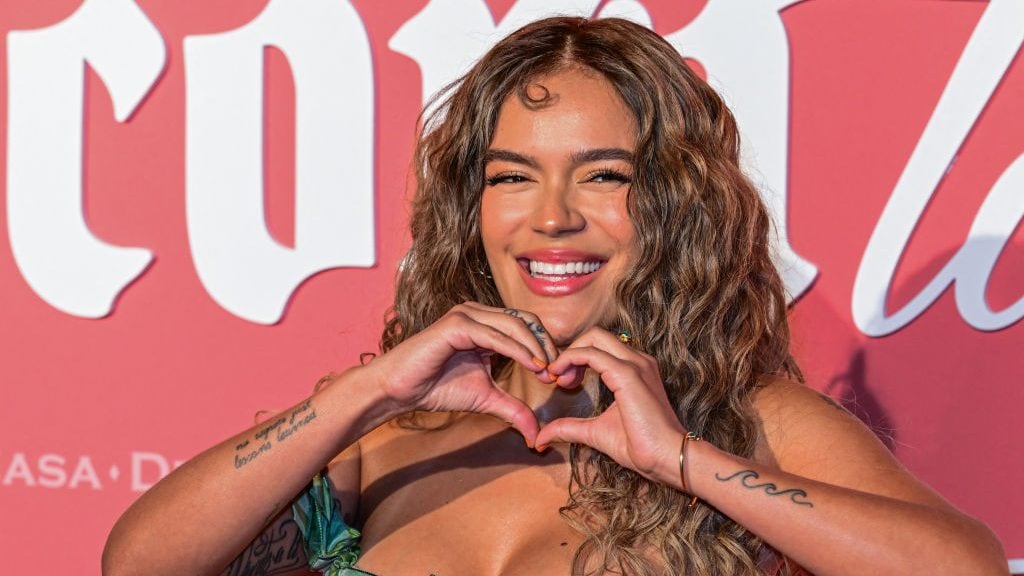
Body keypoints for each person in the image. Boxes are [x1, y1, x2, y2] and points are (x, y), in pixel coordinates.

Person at [102, 16, 1008, 576]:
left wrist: (681, 462)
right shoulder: (391, 446)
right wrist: (367, 391)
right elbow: (139, 563)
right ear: (474, 209)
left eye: (603, 175)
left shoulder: (755, 428)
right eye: (511, 178)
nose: (552, 219)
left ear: (673, 205)